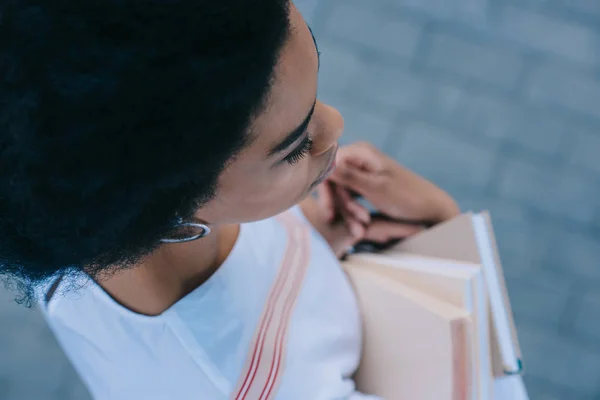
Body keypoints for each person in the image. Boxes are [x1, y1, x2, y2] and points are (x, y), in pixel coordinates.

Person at [0, 1, 459, 399]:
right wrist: (443, 233)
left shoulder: (66, 205)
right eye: (295, 146)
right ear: (169, 213)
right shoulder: (261, 388)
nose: (335, 125)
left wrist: (311, 240)